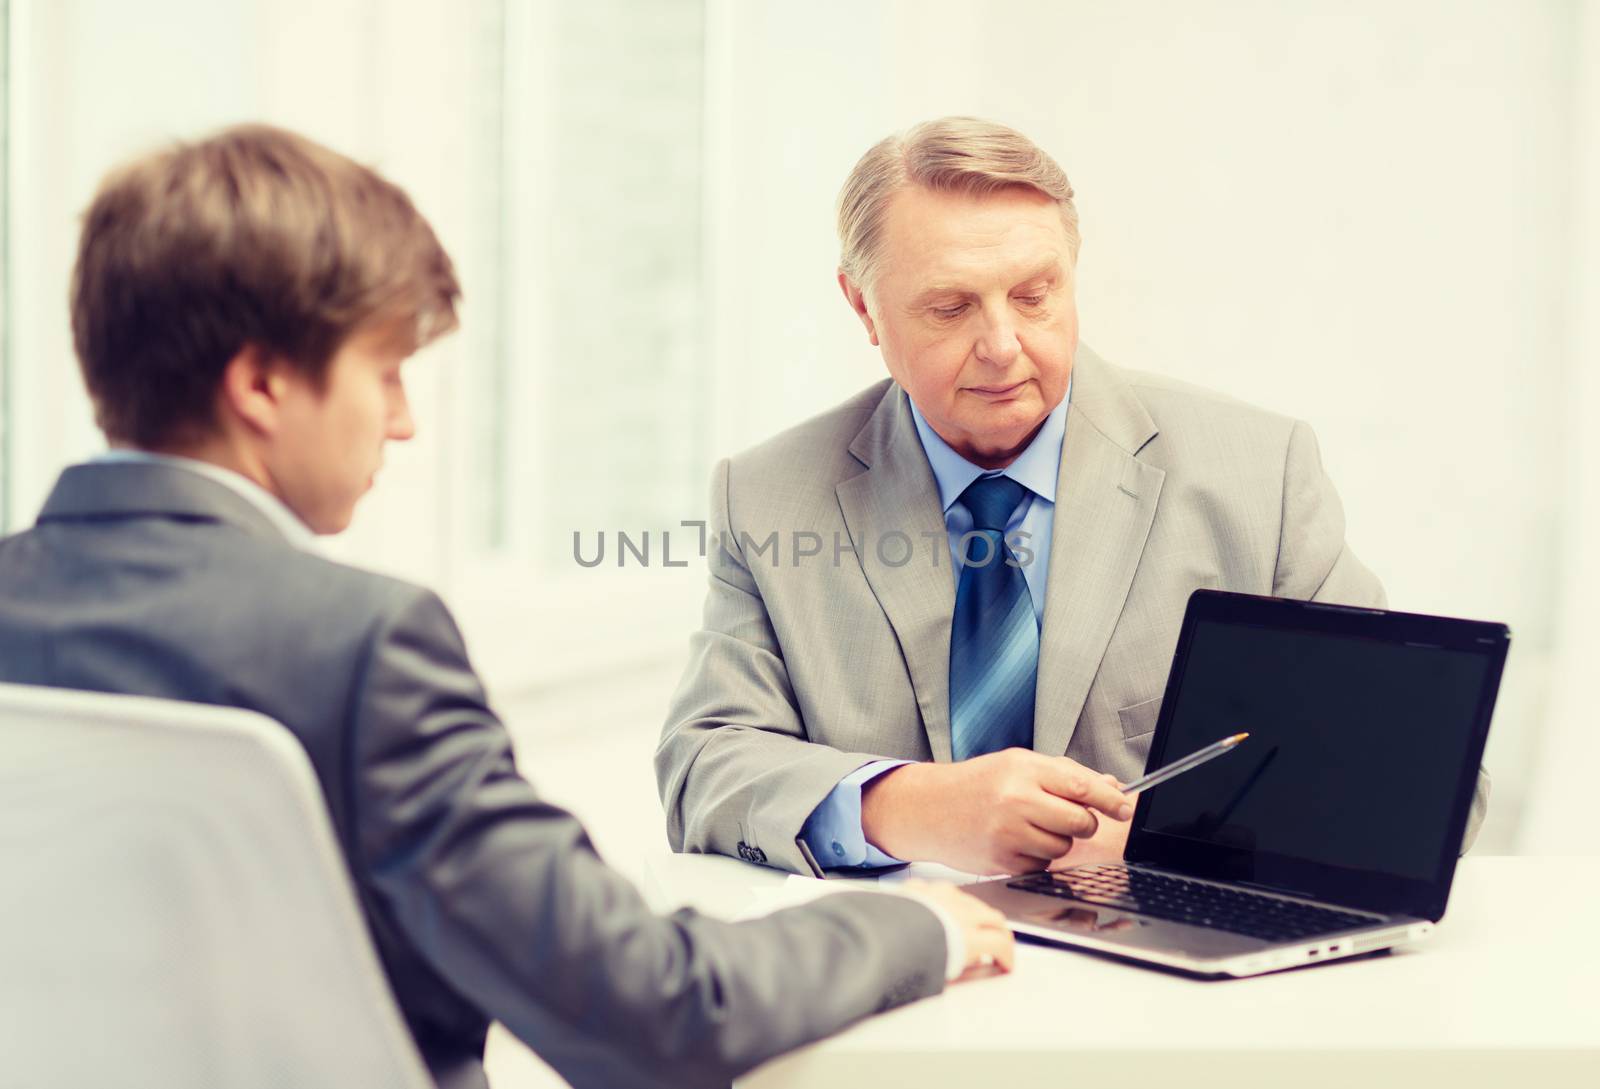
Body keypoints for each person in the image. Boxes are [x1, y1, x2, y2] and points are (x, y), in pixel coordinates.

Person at [0, 124, 1014, 1089]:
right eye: (385, 370)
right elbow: (656, 1015)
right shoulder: (360, 649)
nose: (400, 422)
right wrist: (916, 927)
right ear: (261, 384)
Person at [656, 116, 1489, 879]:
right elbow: (705, 763)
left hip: (1171, 980)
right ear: (861, 307)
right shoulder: (766, 497)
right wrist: (906, 805)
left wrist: (1168, 837)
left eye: (1034, 294)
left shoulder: (1256, 472)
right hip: (898, 977)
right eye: (949, 307)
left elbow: (1424, 777)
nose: (1002, 346)